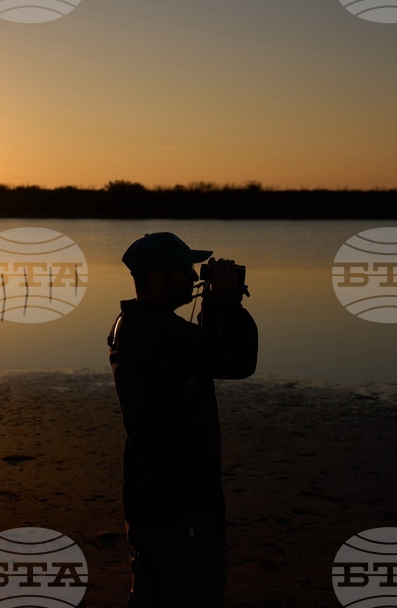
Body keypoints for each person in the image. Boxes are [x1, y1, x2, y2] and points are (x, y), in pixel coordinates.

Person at [107, 232, 258, 607]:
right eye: (186, 270)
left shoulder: (138, 324)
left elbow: (206, 353)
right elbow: (237, 360)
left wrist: (213, 304)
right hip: (180, 509)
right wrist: (225, 300)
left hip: (152, 500)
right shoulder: (156, 332)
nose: (194, 278)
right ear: (157, 277)